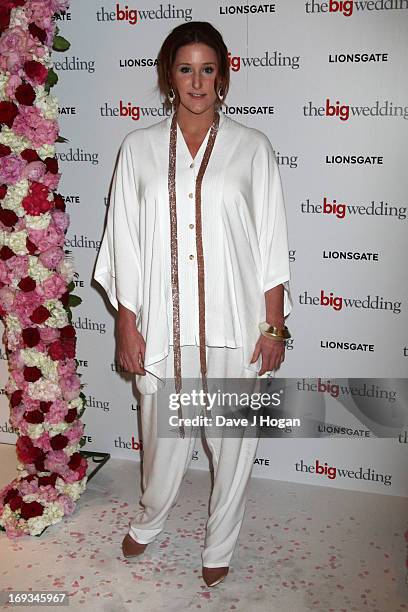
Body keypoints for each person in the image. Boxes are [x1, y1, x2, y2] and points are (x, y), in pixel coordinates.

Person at [93, 21, 293, 587]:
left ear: (224, 76)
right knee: (161, 436)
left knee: (232, 440)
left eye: (208, 69)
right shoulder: (136, 149)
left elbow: (271, 240)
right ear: (168, 76)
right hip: (163, 323)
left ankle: (221, 539)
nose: (197, 81)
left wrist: (272, 325)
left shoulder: (253, 148)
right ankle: (153, 517)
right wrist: (127, 326)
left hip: (233, 323)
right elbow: (123, 241)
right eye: (186, 68)